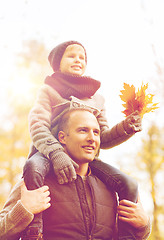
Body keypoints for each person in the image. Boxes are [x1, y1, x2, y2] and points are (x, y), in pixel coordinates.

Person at [23, 40, 142, 238]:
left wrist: (126, 128)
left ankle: (127, 235)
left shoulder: (97, 98)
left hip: (86, 158)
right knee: (32, 168)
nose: (78, 60)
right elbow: (38, 126)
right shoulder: (48, 91)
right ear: (57, 63)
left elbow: (102, 137)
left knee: (129, 184)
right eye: (71, 56)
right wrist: (56, 153)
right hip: (48, 153)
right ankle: (34, 229)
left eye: (82, 57)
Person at [0, 109, 151, 240]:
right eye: (83, 130)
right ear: (62, 138)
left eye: (96, 132)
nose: (92, 138)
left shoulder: (111, 187)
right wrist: (23, 210)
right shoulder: (35, 183)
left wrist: (143, 226)